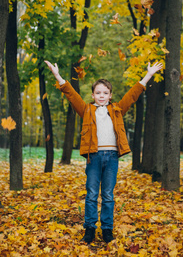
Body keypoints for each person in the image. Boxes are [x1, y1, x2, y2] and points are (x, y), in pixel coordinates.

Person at [44, 60, 163, 244]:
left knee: (108, 194)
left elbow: (133, 95)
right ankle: (90, 229)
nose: (101, 96)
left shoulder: (117, 110)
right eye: (98, 93)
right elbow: (71, 95)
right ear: (93, 95)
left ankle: (107, 229)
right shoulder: (87, 110)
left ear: (110, 95)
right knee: (91, 194)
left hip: (112, 157)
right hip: (94, 157)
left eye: (105, 93)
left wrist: (148, 75)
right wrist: (57, 76)